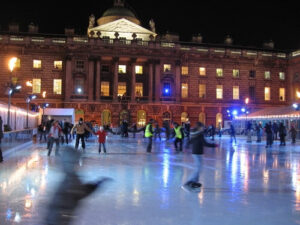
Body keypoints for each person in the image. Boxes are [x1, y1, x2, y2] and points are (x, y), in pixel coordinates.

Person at [44, 146, 112, 225]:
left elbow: (81, 192)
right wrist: (95, 185)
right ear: (71, 163)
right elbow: (81, 192)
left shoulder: (69, 178)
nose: (80, 165)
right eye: (77, 162)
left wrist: (95, 185)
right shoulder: (71, 180)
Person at [182, 122, 217, 192]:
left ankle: (194, 182)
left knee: (199, 168)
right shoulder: (199, 134)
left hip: (196, 153)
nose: (203, 128)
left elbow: (190, 141)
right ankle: (188, 182)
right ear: (199, 127)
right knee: (198, 169)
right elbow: (205, 143)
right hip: (197, 153)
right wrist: (214, 145)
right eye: (202, 127)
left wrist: (186, 146)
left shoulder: (194, 133)